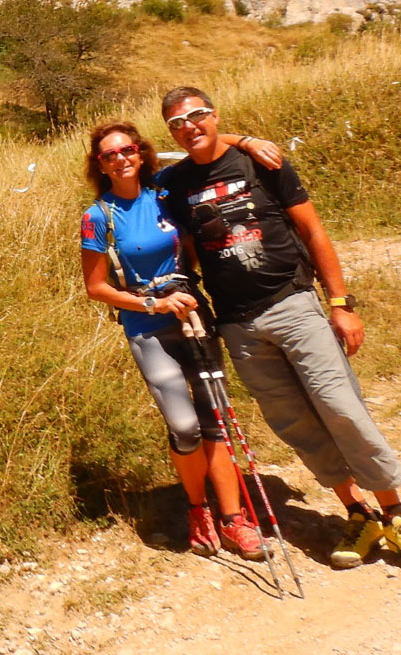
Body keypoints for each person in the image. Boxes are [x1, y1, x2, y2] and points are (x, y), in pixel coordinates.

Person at [156, 86, 401, 572]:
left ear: (214, 112)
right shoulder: (175, 184)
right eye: (177, 123)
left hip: (292, 303)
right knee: (296, 424)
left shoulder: (264, 165)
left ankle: (396, 515)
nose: (189, 126)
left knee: (340, 407)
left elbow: (313, 231)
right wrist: (241, 136)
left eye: (199, 116)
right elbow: (148, 187)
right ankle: (357, 513)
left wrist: (340, 303)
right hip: (237, 325)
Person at [79, 122, 273, 559]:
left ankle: (233, 519)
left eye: (128, 149)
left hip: (193, 314)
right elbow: (95, 288)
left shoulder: (166, 195)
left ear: (142, 153)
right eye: (110, 154)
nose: (121, 158)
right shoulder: (97, 217)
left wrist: (246, 141)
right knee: (184, 427)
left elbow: (204, 153)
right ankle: (196, 509)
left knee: (215, 418)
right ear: (100, 164)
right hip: (147, 324)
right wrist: (151, 306)